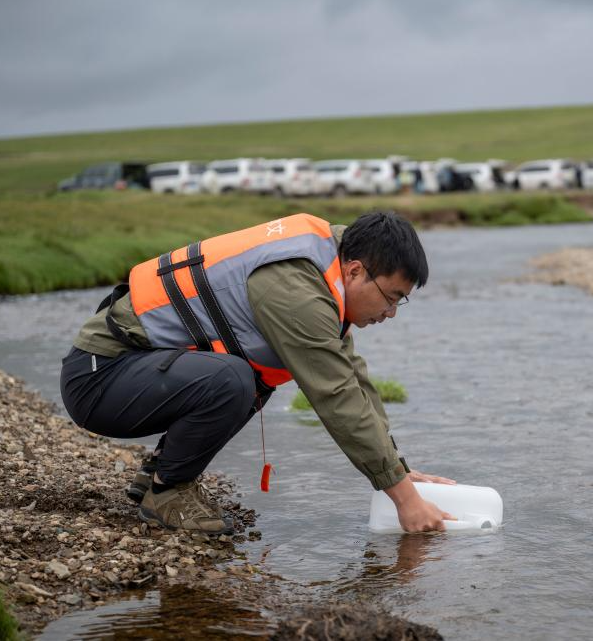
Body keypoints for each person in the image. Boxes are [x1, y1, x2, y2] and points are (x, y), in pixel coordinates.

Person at [59, 212, 456, 535]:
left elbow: (354, 381)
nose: (389, 314)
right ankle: (168, 492)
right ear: (354, 271)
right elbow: (335, 396)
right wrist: (404, 500)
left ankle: (158, 475)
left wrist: (398, 469)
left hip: (141, 372)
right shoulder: (296, 290)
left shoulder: (324, 273)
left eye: (399, 304)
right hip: (100, 378)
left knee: (251, 375)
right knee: (233, 379)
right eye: (391, 298)